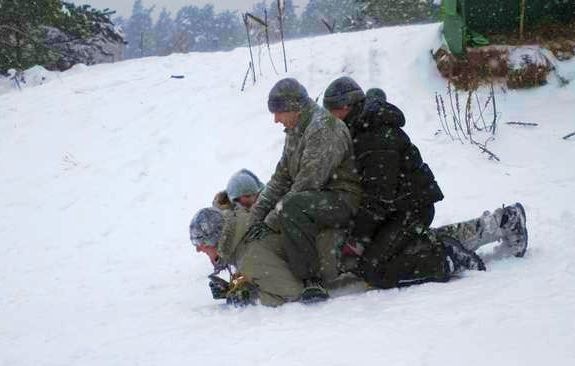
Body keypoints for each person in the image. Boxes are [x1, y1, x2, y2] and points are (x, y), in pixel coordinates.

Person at [322, 76, 528, 288]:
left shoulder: (376, 136)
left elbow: (378, 196)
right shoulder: (360, 129)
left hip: (412, 208)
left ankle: (445, 259)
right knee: (412, 245)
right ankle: (502, 222)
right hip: (398, 208)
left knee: (374, 269)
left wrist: (357, 238)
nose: (329, 118)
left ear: (346, 107)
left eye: (332, 111)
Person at [248, 77, 363, 302]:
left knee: (291, 207)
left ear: (294, 108)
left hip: (343, 199)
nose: (275, 120)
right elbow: (281, 177)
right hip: (320, 196)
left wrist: (270, 222)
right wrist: (255, 216)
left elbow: (306, 183)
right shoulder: (295, 131)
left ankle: (312, 280)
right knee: (289, 204)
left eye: (278, 112)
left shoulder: (323, 129)